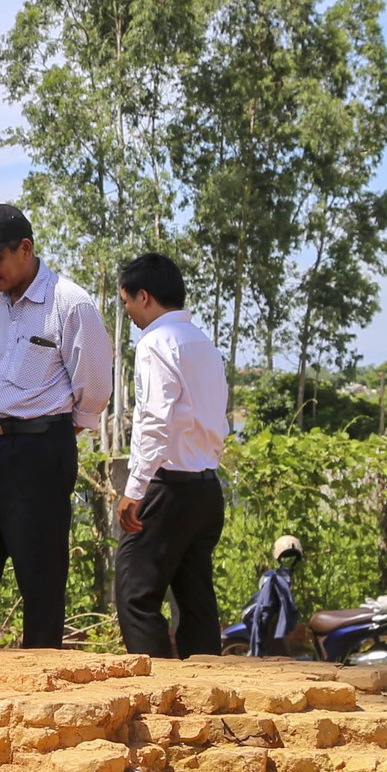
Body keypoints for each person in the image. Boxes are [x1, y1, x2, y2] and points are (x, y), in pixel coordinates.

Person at [0, 202, 111, 649]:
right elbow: (0, 368)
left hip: (39, 449)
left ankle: (42, 689)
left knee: (40, 579)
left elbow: (93, 389)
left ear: (25, 248)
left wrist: (49, 438)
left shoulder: (70, 303)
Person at [113, 252, 230, 657]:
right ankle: (205, 689)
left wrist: (134, 489)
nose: (126, 310)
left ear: (143, 297)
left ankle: (156, 691)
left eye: (126, 301)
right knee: (195, 597)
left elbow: (154, 421)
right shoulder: (204, 344)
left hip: (168, 487)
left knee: (134, 595)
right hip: (206, 488)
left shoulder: (155, 343)